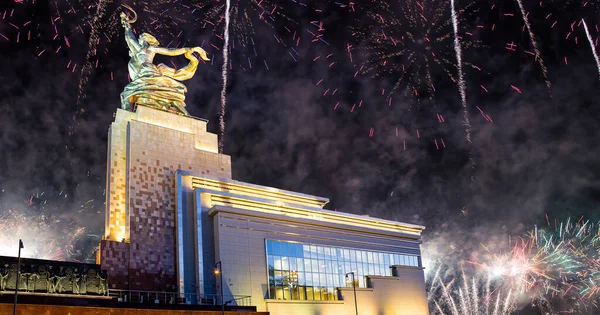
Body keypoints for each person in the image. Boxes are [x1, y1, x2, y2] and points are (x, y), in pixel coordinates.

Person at [119, 12, 209, 115]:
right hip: (141, 74)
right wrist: (127, 25)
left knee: (128, 93)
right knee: (126, 94)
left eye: (143, 37)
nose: (140, 38)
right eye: (140, 37)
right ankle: (129, 115)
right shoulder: (138, 50)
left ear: (147, 40)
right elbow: (130, 39)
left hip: (149, 71)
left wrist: (186, 49)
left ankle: (129, 114)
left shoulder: (150, 48)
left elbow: (170, 51)